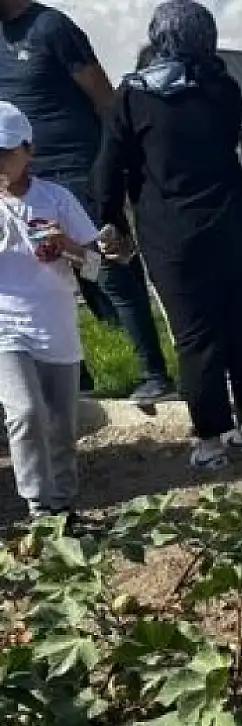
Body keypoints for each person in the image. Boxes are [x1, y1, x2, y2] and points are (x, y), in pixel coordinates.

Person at [93, 0, 242, 471]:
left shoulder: (133, 95)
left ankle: (210, 440)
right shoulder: (224, 87)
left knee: (196, 337)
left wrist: (112, 222)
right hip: (236, 226)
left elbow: (108, 170)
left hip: (174, 234)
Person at [0, 0, 174, 404]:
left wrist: (120, 163)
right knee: (43, 268)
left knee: (108, 269)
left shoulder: (51, 28)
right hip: (24, 177)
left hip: (80, 167)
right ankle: (72, 378)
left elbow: (105, 98)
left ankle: (154, 375)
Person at [0, 100, 108, 520]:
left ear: (29, 150)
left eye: (7, 151)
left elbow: (96, 265)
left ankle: (64, 505)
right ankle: (39, 508)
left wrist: (66, 246)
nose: (2, 162)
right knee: (25, 412)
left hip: (55, 325)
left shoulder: (56, 199)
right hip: (6, 327)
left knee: (62, 425)